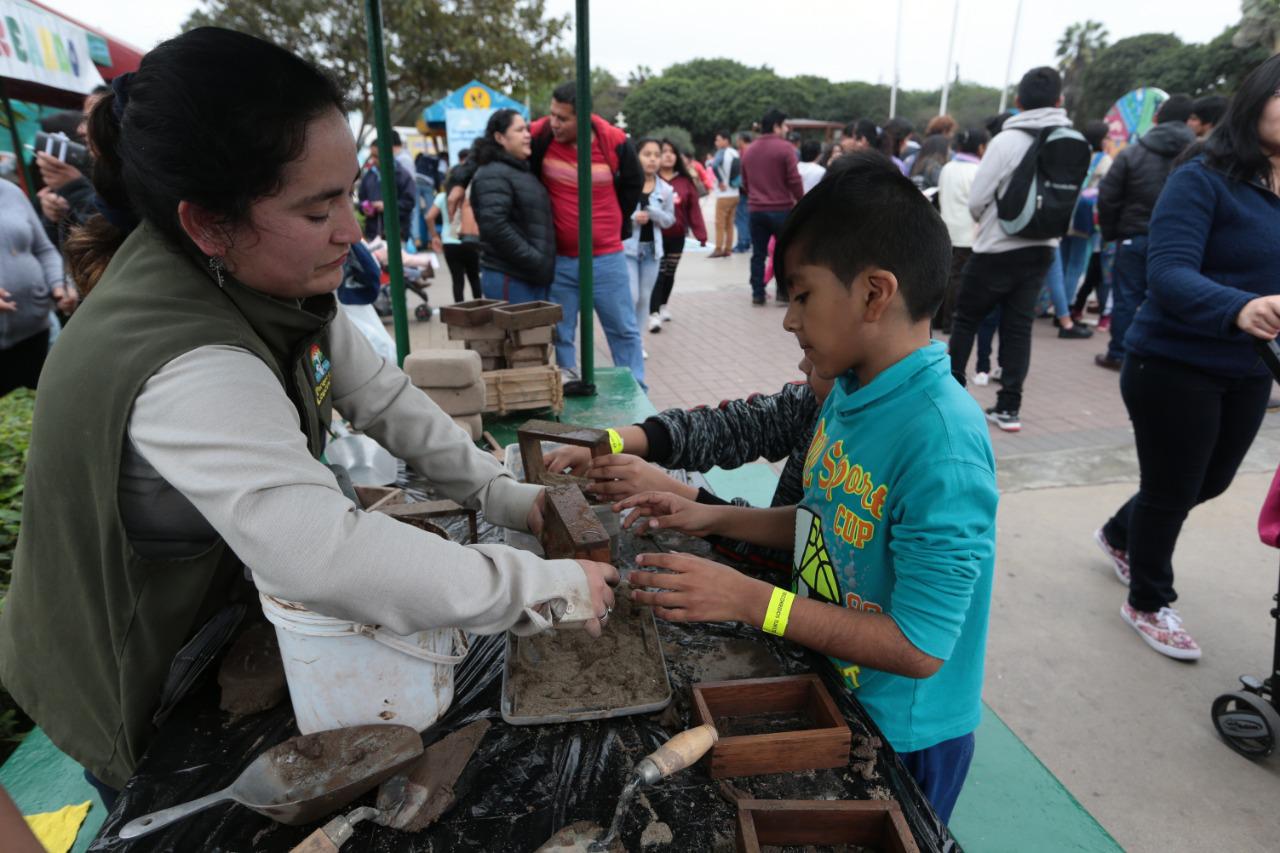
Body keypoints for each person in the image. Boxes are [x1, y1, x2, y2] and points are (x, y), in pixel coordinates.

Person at [0, 28, 619, 800]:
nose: (353, 230)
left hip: (217, 613)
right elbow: (320, 554)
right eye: (319, 208)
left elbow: (382, 396)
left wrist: (505, 496)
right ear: (206, 224)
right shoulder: (185, 356)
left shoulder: (262, 274)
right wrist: (534, 584)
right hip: (132, 654)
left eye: (348, 193)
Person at [617, 153, 997, 821]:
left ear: (875, 293)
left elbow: (919, 645)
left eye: (802, 295)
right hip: (836, 682)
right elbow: (821, 521)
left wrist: (749, 598)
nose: (790, 321)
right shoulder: (850, 394)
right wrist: (708, 518)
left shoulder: (942, 442)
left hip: (907, 733)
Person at [1093, 56, 1280, 660]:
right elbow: (1167, 273)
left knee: (1211, 480)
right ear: (1256, 102)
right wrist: (1240, 307)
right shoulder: (1203, 175)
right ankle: (1147, 600)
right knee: (1172, 487)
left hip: (1251, 367)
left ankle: (1121, 533)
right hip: (1172, 363)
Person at [544, 356, 835, 570]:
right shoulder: (815, 401)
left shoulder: (865, 446)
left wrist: (687, 499)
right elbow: (732, 426)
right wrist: (611, 439)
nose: (802, 364)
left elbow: (798, 543)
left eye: (814, 350)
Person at [946, 67, 1075, 433]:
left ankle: (951, 397)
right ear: (1059, 100)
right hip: (1042, 249)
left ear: (1018, 102)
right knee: (1018, 327)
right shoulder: (1071, 138)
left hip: (997, 247)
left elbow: (978, 199)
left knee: (967, 319)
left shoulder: (1006, 140)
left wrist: (992, 221)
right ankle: (1009, 407)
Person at [527, 81, 644, 391]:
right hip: (561, 259)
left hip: (607, 257)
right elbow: (495, 147)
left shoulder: (613, 141)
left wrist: (615, 221)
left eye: (563, 118)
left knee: (622, 328)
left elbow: (634, 182)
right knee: (561, 330)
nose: (554, 123)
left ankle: (636, 389)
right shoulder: (540, 135)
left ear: (583, 117)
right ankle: (568, 382)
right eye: (552, 115)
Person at [1094, 94, 1196, 370]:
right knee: (1172, 297)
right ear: (1189, 120)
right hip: (1182, 241)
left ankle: (1118, 353)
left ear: (1156, 117)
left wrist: (1112, 231)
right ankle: (1160, 356)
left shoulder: (1133, 151)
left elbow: (1108, 196)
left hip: (1134, 234)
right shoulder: (1200, 154)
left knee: (1126, 297)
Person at [469, 108, 556, 303]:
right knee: (516, 334)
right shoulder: (493, 173)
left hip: (530, 276)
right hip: (511, 276)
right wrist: (535, 259)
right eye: (519, 130)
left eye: (527, 129)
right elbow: (494, 225)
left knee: (535, 333)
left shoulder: (521, 170)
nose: (527, 135)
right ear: (500, 137)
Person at [0, 179, 74, 396]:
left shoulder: (10, 191)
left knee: (55, 400)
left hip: (35, 330)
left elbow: (43, 249)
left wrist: (59, 285)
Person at [741, 109, 804, 306]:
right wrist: (801, 200)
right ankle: (782, 293)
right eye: (784, 125)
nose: (786, 129)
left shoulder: (749, 150)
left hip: (756, 210)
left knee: (758, 254)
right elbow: (794, 179)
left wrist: (756, 196)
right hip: (781, 209)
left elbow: (745, 182)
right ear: (776, 126)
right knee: (784, 253)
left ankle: (758, 293)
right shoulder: (786, 149)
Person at [934, 127, 988, 334]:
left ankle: (937, 319)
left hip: (946, 229)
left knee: (946, 275)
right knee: (958, 278)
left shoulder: (948, 167)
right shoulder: (977, 171)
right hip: (967, 233)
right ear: (981, 147)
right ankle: (950, 322)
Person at [650, 139, 708, 329]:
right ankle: (654, 312)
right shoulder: (651, 179)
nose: (668, 155)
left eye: (672, 152)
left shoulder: (685, 182)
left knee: (670, 272)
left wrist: (701, 234)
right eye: (664, 151)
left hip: (677, 236)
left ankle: (664, 305)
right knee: (658, 273)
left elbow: (694, 210)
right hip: (654, 235)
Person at [624, 138, 675, 349]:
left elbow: (669, 220)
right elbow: (616, 214)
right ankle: (628, 339)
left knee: (645, 298)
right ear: (637, 156)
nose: (653, 159)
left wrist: (654, 213)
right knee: (632, 296)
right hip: (628, 249)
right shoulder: (626, 184)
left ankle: (637, 344)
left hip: (653, 251)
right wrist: (633, 217)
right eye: (647, 154)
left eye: (656, 154)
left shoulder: (665, 190)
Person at [426, 183, 481, 302]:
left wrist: (435, 236)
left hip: (449, 242)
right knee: (474, 278)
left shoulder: (442, 196)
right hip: (469, 239)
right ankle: (481, 310)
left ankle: (460, 313)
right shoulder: (469, 196)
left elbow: (429, 217)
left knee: (457, 280)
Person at [357, 142, 415, 244]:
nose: (373, 160)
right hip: (373, 235)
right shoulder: (369, 176)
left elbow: (409, 203)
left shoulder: (402, 176)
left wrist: (387, 207)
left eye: (376, 156)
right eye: (372, 156)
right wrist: (364, 208)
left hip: (397, 235)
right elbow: (361, 200)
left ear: (388, 154)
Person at [709, 130, 740, 257]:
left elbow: (715, 166)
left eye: (718, 140)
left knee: (720, 223)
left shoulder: (722, 152)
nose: (716, 142)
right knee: (730, 223)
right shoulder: (735, 153)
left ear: (726, 141)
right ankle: (728, 249)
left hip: (724, 194)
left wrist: (721, 181)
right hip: (735, 193)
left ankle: (718, 249)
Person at [732, 131, 754, 253]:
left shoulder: (744, 153)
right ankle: (748, 241)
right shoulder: (755, 151)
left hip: (743, 190)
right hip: (753, 190)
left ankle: (743, 243)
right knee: (748, 217)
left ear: (742, 140)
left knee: (741, 217)